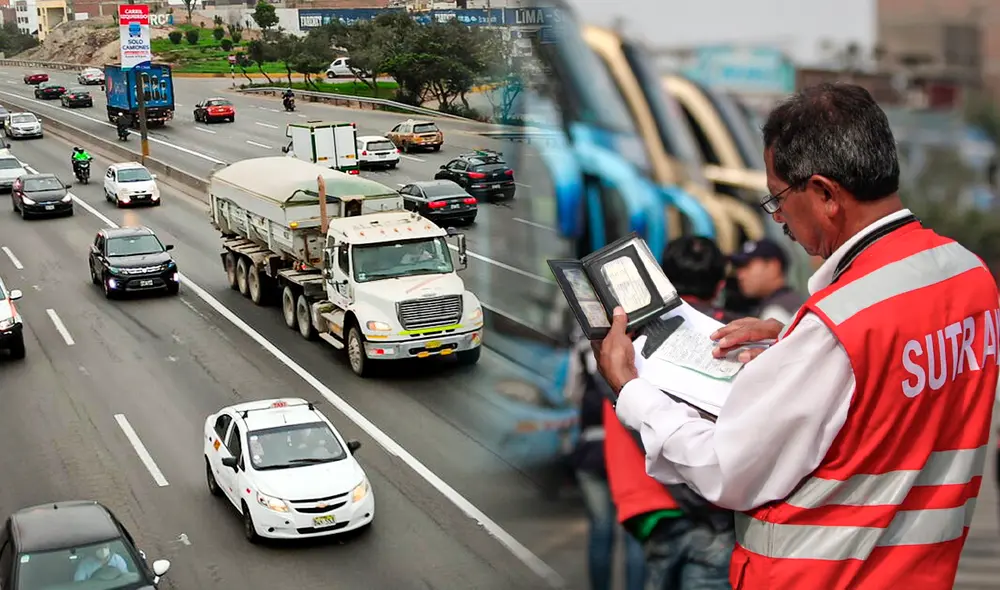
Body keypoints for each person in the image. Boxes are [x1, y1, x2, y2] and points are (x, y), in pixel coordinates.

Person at [593, 83, 1000, 590]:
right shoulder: (968, 277)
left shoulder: (839, 327)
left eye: (779, 197)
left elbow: (725, 469)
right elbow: (890, 387)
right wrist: (791, 338)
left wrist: (631, 388)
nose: (778, 216)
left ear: (826, 194)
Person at [603, 236, 737, 590]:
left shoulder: (627, 343)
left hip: (654, 505)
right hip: (717, 513)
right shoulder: (737, 339)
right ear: (720, 285)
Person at [568, 333, 646, 590]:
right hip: (632, 453)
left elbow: (572, 394)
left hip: (593, 450)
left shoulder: (583, 346)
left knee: (601, 529)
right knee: (634, 533)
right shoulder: (640, 341)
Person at [730, 238, 805, 324]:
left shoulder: (775, 313)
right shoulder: (790, 302)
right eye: (738, 268)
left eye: (746, 266)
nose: (740, 275)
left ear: (773, 267)